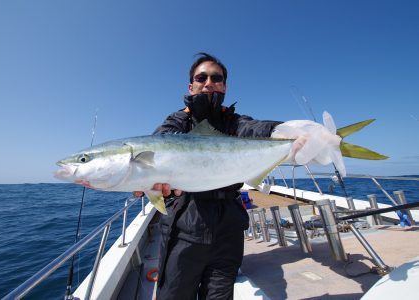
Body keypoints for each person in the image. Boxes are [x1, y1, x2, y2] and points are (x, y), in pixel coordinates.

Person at [135, 53, 344, 299]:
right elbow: (161, 142)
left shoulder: (233, 121)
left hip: (228, 228)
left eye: (217, 78)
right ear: (191, 85)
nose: (209, 82)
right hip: (185, 226)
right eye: (201, 77)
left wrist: (284, 131)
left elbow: (253, 129)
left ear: (224, 85)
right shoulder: (178, 121)